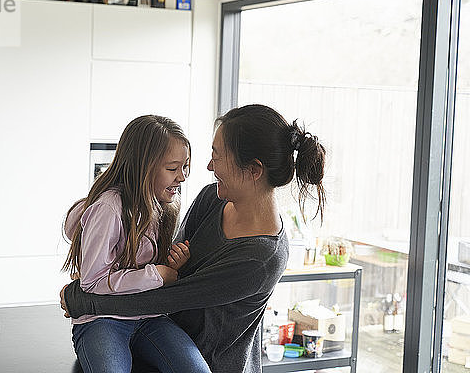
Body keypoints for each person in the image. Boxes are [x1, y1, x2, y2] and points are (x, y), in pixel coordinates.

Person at [61, 104, 327, 373]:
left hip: (210, 362)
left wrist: (81, 298)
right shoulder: (212, 198)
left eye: (218, 155)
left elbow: (169, 295)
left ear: (253, 170)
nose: (209, 166)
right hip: (155, 337)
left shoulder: (261, 257)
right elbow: (166, 268)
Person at [61, 115, 211, 373]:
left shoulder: (163, 206)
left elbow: (145, 267)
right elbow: (93, 282)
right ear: (144, 166)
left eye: (185, 167)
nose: (182, 177)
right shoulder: (109, 208)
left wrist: (172, 265)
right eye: (173, 168)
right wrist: (157, 275)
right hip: (103, 320)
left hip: (149, 316)